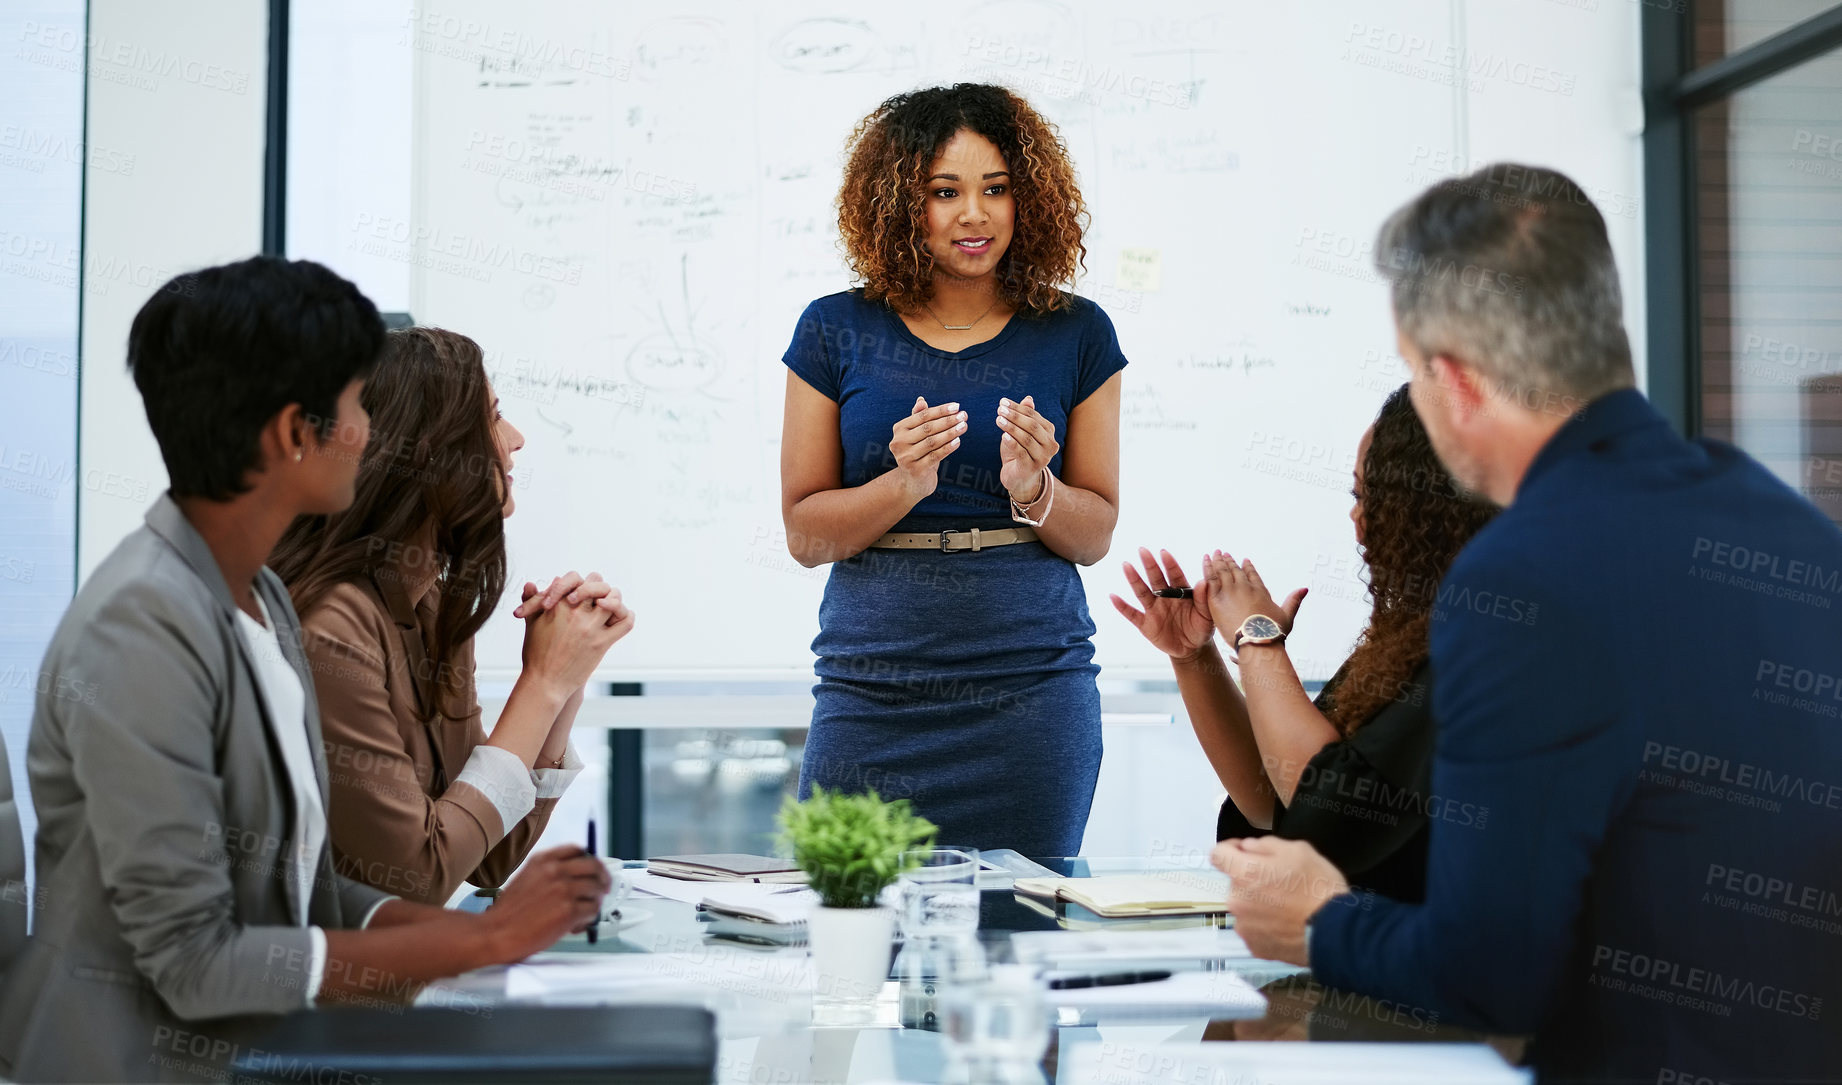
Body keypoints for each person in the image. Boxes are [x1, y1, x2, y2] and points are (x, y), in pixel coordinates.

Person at [1215, 166, 1842, 1079]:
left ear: (1457, 383)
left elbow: (1493, 970)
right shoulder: (1790, 527)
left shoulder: (1522, 577)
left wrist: (1322, 920)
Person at [0, 258, 610, 1083]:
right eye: (359, 405)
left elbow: (305, 893)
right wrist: (478, 938)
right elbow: (195, 960)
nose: (371, 431)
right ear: (296, 433)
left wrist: (459, 938)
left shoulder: (262, 606)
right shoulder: (140, 625)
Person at [779, 83, 1127, 856]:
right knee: (855, 941)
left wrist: (1035, 488)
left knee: (1021, 947)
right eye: (945, 192)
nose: (975, 214)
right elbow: (805, 532)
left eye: (996, 189)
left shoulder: (1078, 332)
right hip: (871, 690)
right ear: (902, 204)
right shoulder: (833, 329)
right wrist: (901, 484)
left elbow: (1095, 530)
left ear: (1027, 198)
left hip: (1032, 693)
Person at [270, 327, 634, 905]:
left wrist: (564, 681)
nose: (514, 440)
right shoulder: (330, 625)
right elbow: (418, 875)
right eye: (492, 416)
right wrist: (539, 685)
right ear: (425, 449)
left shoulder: (430, 604)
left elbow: (487, 857)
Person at [1113, 385, 1494, 902]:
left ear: (1426, 510)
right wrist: (1194, 656)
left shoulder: (1471, 647)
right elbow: (1272, 799)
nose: (1358, 526)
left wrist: (1259, 642)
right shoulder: (1406, 639)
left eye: (1369, 499)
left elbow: (1328, 809)